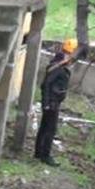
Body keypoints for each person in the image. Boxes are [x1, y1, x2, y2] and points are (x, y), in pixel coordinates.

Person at [35, 38, 77, 167]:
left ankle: (38, 152)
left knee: (44, 127)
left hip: (53, 101)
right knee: (50, 129)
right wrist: (47, 103)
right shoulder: (58, 66)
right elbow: (46, 84)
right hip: (52, 103)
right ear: (70, 53)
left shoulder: (59, 63)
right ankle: (45, 155)